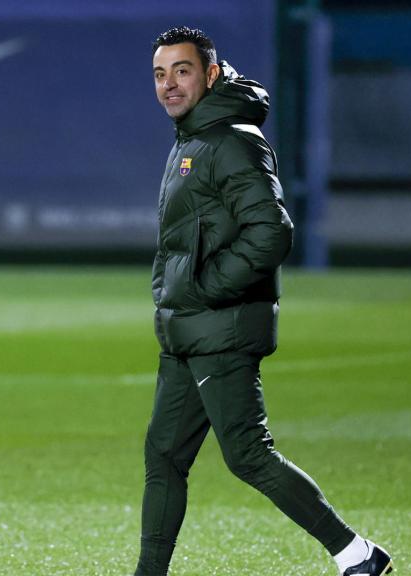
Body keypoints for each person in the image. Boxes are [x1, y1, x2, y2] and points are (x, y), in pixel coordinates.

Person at [135, 26, 393, 576]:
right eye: (160, 74)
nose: (169, 84)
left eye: (182, 71)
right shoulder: (194, 138)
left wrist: (205, 288)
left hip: (219, 326)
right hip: (188, 328)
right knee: (164, 454)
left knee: (248, 453)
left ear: (210, 74)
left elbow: (272, 232)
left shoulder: (232, 140)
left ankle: (358, 555)